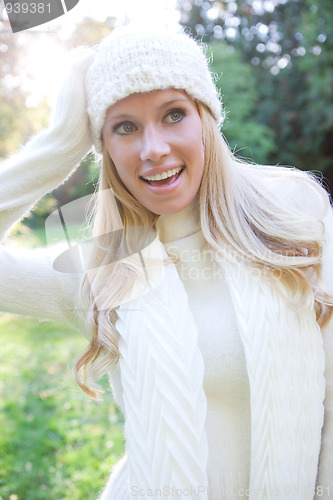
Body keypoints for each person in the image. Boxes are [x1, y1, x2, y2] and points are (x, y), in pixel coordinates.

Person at [0, 23, 333, 500]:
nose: (153, 149)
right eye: (124, 127)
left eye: (173, 114)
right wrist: (57, 149)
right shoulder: (100, 271)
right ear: (104, 147)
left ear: (206, 119)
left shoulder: (295, 213)